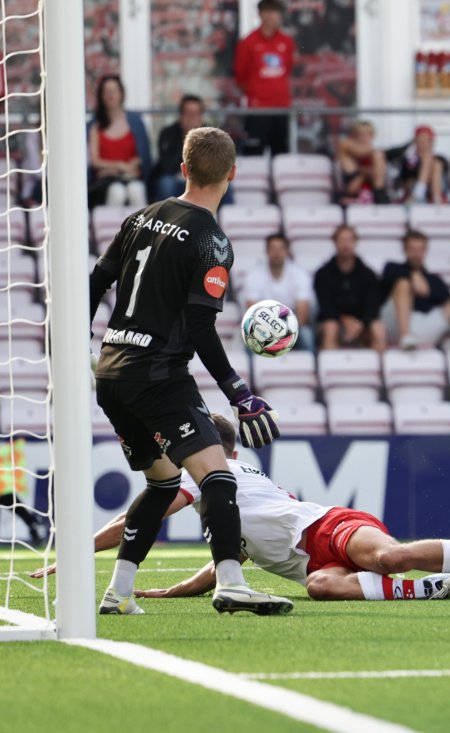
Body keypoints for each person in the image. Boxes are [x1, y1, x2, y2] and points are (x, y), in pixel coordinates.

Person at [36, 414, 450, 602]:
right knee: (321, 588)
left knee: (388, 558)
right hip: (315, 561)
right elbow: (232, 552)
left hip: (329, 526)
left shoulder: (213, 474)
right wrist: (183, 588)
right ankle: (442, 587)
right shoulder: (221, 488)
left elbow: (139, 517)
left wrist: (80, 551)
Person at [88, 125, 288, 616]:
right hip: (159, 375)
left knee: (162, 484)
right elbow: (199, 328)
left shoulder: (141, 216)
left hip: (112, 372)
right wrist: (239, 393)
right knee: (217, 477)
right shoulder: (212, 243)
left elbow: (95, 280)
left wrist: (79, 346)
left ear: (183, 169)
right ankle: (232, 582)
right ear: (232, 175)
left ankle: (118, 592)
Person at [381, 229, 450, 350]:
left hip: (425, 326)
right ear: (404, 249)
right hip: (393, 327)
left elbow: (448, 302)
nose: (416, 254)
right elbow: (388, 282)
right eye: (412, 249)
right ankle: (405, 337)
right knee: (403, 285)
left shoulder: (435, 280)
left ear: (426, 251)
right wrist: (412, 275)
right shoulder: (392, 268)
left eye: (420, 249)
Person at [234, 0, 294, 156]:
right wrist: (257, 93)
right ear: (260, 14)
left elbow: (287, 68)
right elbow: (240, 75)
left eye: (275, 12)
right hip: (257, 110)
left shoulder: (286, 42)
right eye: (267, 11)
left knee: (282, 156)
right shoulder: (248, 42)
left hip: (281, 109)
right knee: (254, 154)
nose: (271, 16)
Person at [314, 224, 386, 352]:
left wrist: (361, 323)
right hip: (335, 324)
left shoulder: (368, 274)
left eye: (349, 240)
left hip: (361, 325)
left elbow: (373, 306)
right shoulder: (323, 274)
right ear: (335, 243)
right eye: (341, 240)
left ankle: (379, 369)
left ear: (355, 242)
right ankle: (331, 368)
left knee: (378, 328)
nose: (345, 244)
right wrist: (344, 320)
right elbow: (325, 306)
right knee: (331, 327)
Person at [87, 75, 152, 209]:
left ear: (122, 94)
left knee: (136, 190)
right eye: (107, 91)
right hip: (105, 182)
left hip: (132, 177)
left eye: (114, 90)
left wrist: (133, 165)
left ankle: (141, 230)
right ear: (101, 96)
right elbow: (95, 162)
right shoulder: (94, 126)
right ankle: (111, 230)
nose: (111, 95)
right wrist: (119, 166)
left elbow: (144, 156)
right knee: (117, 192)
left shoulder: (136, 122)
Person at [242, 234, 314, 352]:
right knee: (249, 336)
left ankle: (308, 369)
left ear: (287, 252)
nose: (277, 253)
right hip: (263, 327)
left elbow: (302, 314)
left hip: (293, 328)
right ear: (267, 251)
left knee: (306, 335)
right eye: (273, 249)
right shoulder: (254, 275)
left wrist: (284, 335)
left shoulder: (299, 274)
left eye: (281, 249)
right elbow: (252, 312)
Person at [151, 95, 205, 201]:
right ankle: (166, 216)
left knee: (224, 185)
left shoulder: (209, 134)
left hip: (201, 180)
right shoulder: (168, 133)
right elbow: (166, 166)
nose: (192, 118)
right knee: (165, 183)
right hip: (175, 178)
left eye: (195, 114)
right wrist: (186, 138)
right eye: (188, 113)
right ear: (181, 114)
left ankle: (228, 217)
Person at [391, 125, 448, 204]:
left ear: (432, 142)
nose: (423, 144)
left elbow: (445, 179)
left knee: (436, 165)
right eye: (420, 140)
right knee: (429, 162)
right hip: (411, 193)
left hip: (432, 193)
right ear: (415, 142)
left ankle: (425, 196)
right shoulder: (409, 161)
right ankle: (424, 195)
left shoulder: (440, 159)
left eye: (426, 140)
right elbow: (405, 182)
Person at [336, 121, 388, 204]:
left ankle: (380, 197)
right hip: (353, 197)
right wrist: (366, 173)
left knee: (378, 156)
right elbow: (351, 189)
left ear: (372, 136)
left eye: (367, 135)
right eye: (359, 135)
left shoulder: (377, 157)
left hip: (374, 197)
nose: (363, 139)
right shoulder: (347, 155)